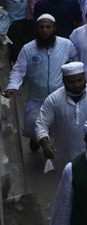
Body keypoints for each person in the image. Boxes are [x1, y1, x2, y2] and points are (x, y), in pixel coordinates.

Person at [3, 13, 77, 150]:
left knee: (62, 122)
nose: (45, 30)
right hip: (37, 97)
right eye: (41, 27)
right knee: (33, 122)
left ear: (54, 28)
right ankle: (36, 139)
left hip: (59, 95)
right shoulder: (28, 49)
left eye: (48, 27)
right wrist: (13, 86)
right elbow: (19, 70)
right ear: (36, 29)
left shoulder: (66, 45)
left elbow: (76, 62)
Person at [36, 61, 87, 163]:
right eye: (71, 82)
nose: (76, 85)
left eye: (79, 80)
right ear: (63, 81)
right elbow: (41, 124)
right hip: (65, 156)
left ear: (84, 77)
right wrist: (45, 144)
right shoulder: (53, 99)